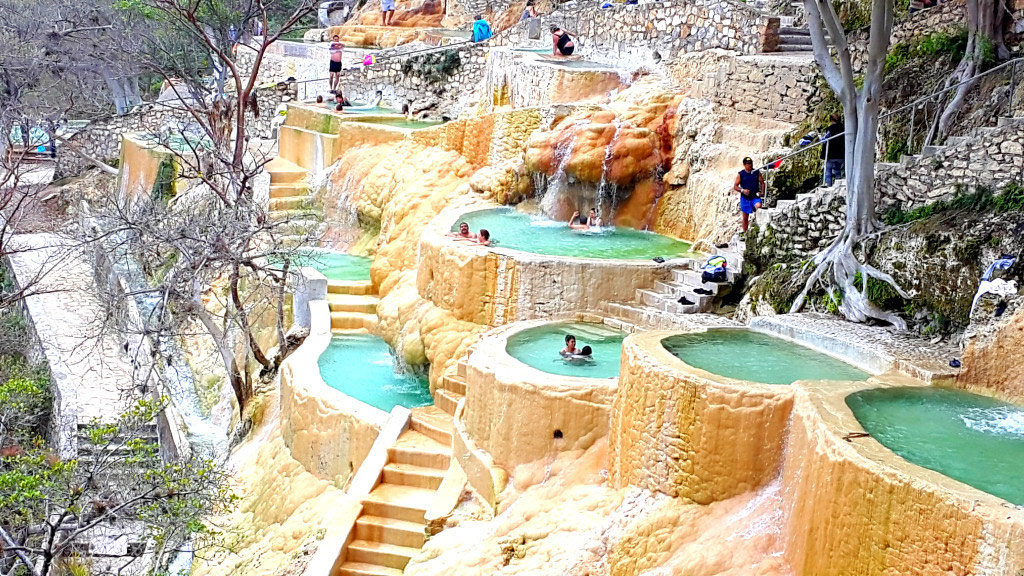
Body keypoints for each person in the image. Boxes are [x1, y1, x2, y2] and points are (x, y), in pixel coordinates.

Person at [733, 156, 764, 234]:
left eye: (751, 163)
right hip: (745, 198)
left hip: (755, 196)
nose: (750, 165)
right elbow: (735, 187)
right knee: (745, 217)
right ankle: (745, 233)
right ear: (744, 165)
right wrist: (743, 190)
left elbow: (762, 183)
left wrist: (762, 192)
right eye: (748, 164)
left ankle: (758, 229)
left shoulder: (756, 172)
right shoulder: (741, 174)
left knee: (759, 206)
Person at [821, 113, 845, 187]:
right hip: (841, 154)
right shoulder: (844, 128)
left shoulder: (829, 129)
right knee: (837, 170)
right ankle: (838, 186)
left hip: (830, 155)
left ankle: (828, 186)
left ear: (831, 120)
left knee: (828, 171)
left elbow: (825, 140)